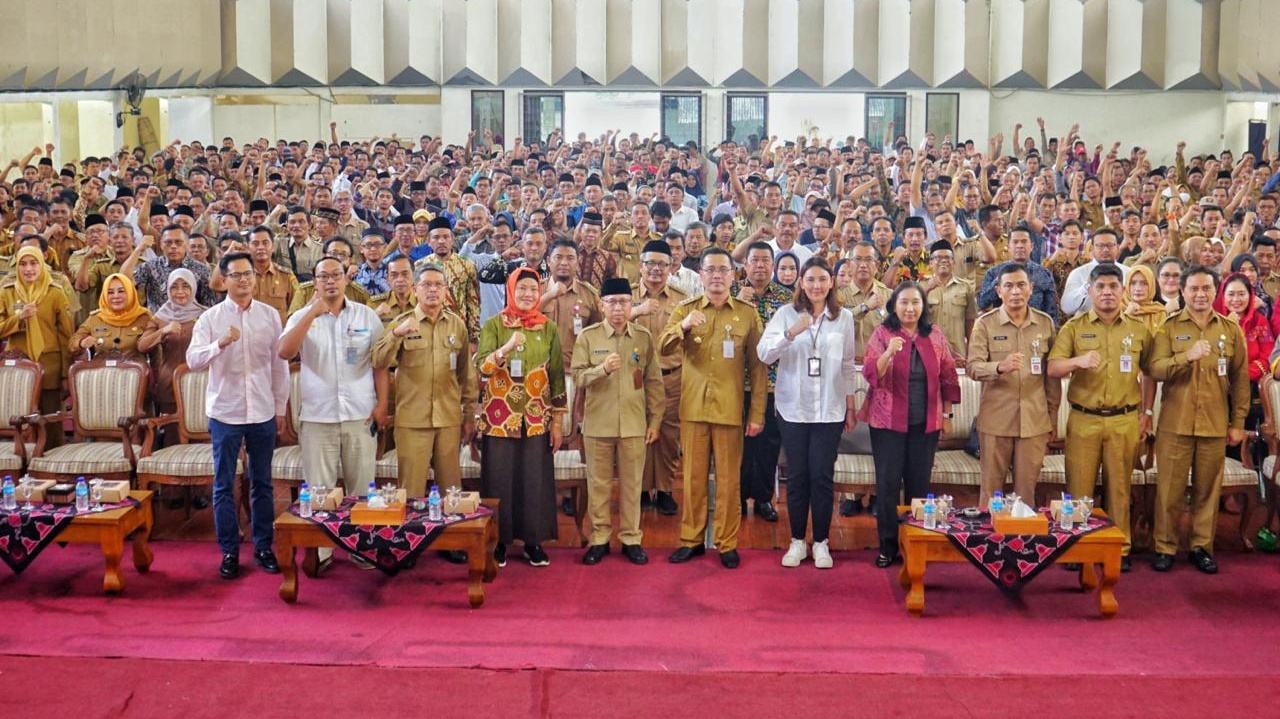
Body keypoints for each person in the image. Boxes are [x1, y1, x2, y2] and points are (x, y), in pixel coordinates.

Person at [186, 251, 290, 580]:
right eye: (236, 275)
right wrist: (220, 344)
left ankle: (263, 546)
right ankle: (229, 550)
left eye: (248, 274)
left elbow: (279, 365)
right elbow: (193, 360)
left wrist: (280, 407)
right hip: (225, 412)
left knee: (261, 483)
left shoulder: (270, 316)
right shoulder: (210, 318)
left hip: (260, 409)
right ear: (224, 280)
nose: (243, 279)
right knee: (223, 484)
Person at [660, 248, 767, 569]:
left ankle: (726, 542)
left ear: (734, 275)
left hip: (730, 410)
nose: (717, 275)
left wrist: (757, 414)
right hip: (692, 409)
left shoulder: (747, 314)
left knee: (728, 480)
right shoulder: (686, 309)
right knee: (692, 479)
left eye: (723, 270)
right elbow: (662, 346)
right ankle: (691, 540)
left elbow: (758, 368)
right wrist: (683, 327)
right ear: (701, 275)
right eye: (711, 270)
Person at [278, 256, 388, 568]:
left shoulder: (367, 316)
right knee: (319, 489)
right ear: (315, 282)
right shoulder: (302, 315)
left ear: (345, 279)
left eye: (336, 275)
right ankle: (322, 550)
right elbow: (285, 352)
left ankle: (361, 546)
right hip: (318, 416)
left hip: (360, 412)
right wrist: (311, 313)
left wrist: (382, 405)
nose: (330, 281)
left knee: (362, 486)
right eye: (323, 276)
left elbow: (379, 364)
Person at [1047, 263, 1154, 572]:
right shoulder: (1074, 327)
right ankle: (1077, 545)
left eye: (1113, 286)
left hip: (1124, 419)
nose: (1107, 292)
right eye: (1101, 287)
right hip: (1084, 418)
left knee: (1119, 487)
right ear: (1090, 291)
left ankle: (1119, 547)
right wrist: (1078, 361)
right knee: (1078, 485)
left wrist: (1146, 411)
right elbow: (1053, 367)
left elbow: (1150, 372)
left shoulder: (1137, 328)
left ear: (1122, 291)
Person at [1148, 266, 1250, 574]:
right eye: (1194, 288)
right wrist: (1185, 356)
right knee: (1169, 490)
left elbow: (1241, 379)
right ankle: (1165, 546)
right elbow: (1155, 368)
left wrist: (1238, 422)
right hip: (1174, 423)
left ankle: (1201, 547)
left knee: (1208, 490)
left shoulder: (1230, 330)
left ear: (1215, 292)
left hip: (1214, 423)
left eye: (1206, 288)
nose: (1200, 294)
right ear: (1183, 291)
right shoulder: (1168, 327)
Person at [757, 258, 857, 569]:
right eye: (810, 279)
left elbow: (847, 365)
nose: (816, 285)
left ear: (831, 283)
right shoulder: (786, 314)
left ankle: (822, 542)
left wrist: (851, 407)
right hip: (793, 408)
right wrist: (789, 334)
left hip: (830, 409)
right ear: (801, 282)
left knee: (822, 477)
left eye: (822, 279)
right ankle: (798, 540)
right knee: (798, 477)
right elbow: (763, 354)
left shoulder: (844, 318)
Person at [862, 281, 960, 568]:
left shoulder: (936, 335)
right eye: (903, 302)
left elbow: (949, 377)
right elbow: (871, 374)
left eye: (915, 302)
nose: (909, 308)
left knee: (919, 485)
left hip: (924, 423)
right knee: (888, 485)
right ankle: (888, 547)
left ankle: (917, 545)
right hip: (887, 424)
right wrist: (889, 352)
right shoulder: (882, 334)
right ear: (894, 305)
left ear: (923, 306)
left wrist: (948, 416)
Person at [476, 267, 567, 568]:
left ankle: (533, 542)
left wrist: (557, 422)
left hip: (536, 417)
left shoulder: (548, 328)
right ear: (510, 291)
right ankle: (499, 541)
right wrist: (505, 349)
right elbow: (482, 369)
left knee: (534, 480)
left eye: (532, 289)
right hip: (500, 417)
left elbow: (556, 375)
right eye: (521, 289)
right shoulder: (494, 325)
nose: (527, 294)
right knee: (499, 481)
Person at [570, 277, 664, 565]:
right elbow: (577, 377)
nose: (619, 308)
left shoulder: (643, 337)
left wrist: (655, 421)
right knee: (598, 485)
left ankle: (631, 538)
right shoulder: (589, 337)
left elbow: (653, 382)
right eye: (612, 302)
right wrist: (601, 369)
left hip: (634, 424)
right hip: (598, 423)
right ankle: (599, 539)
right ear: (601, 305)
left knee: (632, 485)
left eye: (624, 302)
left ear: (631, 304)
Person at [372, 264, 477, 500]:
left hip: (448, 420)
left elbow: (466, 375)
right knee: (411, 493)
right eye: (426, 285)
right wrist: (396, 335)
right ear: (414, 290)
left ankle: (448, 536)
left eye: (438, 285)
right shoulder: (401, 322)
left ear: (445, 290)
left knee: (452, 493)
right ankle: (410, 538)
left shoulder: (456, 325)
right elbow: (378, 360)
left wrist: (469, 415)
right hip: (412, 420)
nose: (433, 290)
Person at [966, 264, 1061, 507]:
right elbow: (973, 367)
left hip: (1034, 420)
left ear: (1031, 289)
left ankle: (1023, 543)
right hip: (996, 420)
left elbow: (1051, 376)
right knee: (991, 493)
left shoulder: (1044, 323)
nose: (1015, 291)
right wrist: (999, 367)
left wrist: (1052, 417)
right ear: (998, 291)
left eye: (1021, 285)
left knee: (1025, 494)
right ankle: (987, 543)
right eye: (1008, 286)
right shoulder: (985, 324)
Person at [734, 242, 793, 522]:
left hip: (773, 383)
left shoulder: (786, 297)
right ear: (745, 265)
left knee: (769, 444)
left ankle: (763, 499)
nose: (759, 265)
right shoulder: (733, 295)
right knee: (738, 445)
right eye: (754, 260)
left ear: (773, 265)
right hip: (737, 384)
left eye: (764, 261)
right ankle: (736, 496)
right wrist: (740, 303)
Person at [630, 239, 687, 515]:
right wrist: (636, 311)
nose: (655, 269)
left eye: (661, 264)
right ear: (640, 266)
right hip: (633, 378)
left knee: (668, 434)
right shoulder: (626, 297)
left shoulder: (681, 298)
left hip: (671, 377)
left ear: (671, 266)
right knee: (637, 432)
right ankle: (640, 488)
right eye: (650, 263)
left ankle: (664, 489)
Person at [0, 246, 74, 447]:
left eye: (33, 263)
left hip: (49, 365)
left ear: (42, 265)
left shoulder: (55, 293)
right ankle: (20, 467)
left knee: (51, 421)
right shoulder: (6, 292)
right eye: (23, 264)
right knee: (18, 419)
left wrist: (65, 373)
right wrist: (18, 318)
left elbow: (66, 335)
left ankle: (53, 468)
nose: (28, 269)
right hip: (18, 366)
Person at [138, 268, 207, 440]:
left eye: (185, 286)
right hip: (170, 383)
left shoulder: (206, 314)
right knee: (173, 436)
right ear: (168, 290)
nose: (180, 292)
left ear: (193, 289)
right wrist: (164, 331)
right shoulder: (160, 317)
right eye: (174, 287)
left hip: (203, 381)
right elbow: (142, 346)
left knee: (205, 434)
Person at [71, 273, 152, 361]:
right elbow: (72, 343)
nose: (116, 296)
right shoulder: (96, 318)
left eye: (121, 291)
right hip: (102, 372)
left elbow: (156, 352)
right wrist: (81, 343)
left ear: (130, 292)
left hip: (135, 372)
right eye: (110, 292)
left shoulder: (144, 318)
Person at [923, 240, 977, 362]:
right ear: (930, 263)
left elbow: (970, 321)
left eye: (947, 257)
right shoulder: (920, 287)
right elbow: (912, 318)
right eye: (938, 257)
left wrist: (971, 352)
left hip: (958, 355)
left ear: (953, 262)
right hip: (928, 355)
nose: (943, 261)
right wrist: (926, 290)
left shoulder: (966, 287)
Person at [1060, 227, 1131, 316]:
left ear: (1117, 247)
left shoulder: (1129, 273)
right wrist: (1085, 288)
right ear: (1092, 248)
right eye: (1100, 245)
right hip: (1087, 327)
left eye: (1109, 245)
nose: (1105, 250)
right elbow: (1066, 308)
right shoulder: (1078, 273)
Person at [1122, 264, 1169, 332]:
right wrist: (1127, 315)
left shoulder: (1159, 311)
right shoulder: (1117, 308)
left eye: (1144, 283)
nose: (1138, 288)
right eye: (1133, 283)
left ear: (1151, 285)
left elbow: (1161, 340)